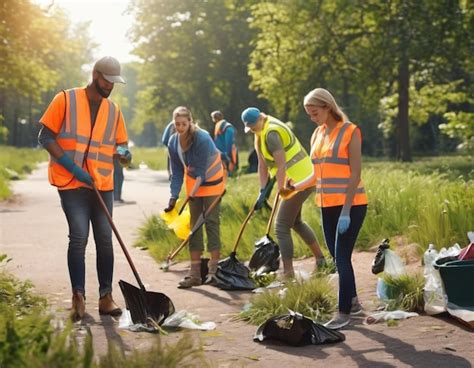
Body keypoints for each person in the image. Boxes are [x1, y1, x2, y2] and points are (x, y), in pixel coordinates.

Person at [37, 56, 132, 320]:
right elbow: (45, 136)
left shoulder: (113, 110)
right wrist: (73, 167)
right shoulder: (65, 99)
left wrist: (124, 153)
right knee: (79, 236)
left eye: (114, 83)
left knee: (105, 239)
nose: (110, 87)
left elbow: (119, 145)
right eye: (106, 81)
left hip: (102, 184)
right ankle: (78, 297)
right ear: (95, 74)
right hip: (72, 182)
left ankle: (106, 297)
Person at [301, 88, 368, 330]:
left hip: (351, 205)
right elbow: (316, 174)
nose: (312, 117)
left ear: (328, 107)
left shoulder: (351, 131)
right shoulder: (317, 134)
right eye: (309, 114)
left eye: (315, 112)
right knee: (339, 257)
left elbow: (355, 173)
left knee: (341, 259)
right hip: (326, 205)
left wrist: (347, 211)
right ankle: (354, 303)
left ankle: (343, 313)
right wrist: (294, 186)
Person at [241, 107, 326, 279]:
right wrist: (262, 190)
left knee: (280, 226)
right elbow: (262, 163)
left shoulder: (272, 133)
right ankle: (321, 260)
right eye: (248, 127)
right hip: (295, 179)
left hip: (300, 179)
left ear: (259, 119)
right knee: (296, 222)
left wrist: (281, 190)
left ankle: (288, 274)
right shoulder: (260, 132)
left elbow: (281, 165)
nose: (250, 129)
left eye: (252, 126)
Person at [164, 106, 225, 288]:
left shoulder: (202, 138)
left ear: (190, 122)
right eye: (177, 124)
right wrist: (173, 197)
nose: (181, 127)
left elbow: (200, 171)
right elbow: (176, 172)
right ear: (174, 124)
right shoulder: (173, 142)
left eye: (184, 123)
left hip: (212, 184)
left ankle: (213, 272)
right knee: (194, 227)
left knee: (211, 223)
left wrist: (191, 194)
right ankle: (195, 273)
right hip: (194, 187)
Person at [211, 110, 238, 177]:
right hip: (224, 150)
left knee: (229, 160)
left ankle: (231, 174)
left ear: (214, 118)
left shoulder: (224, 126)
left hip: (224, 150)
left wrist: (228, 152)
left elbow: (228, 141)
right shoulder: (224, 125)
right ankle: (230, 173)